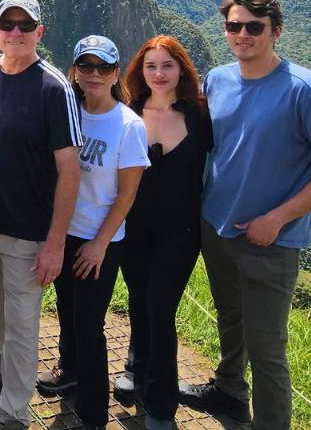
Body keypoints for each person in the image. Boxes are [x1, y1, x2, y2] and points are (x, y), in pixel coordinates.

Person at [181, 0, 311, 429]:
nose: (242, 35)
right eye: (234, 26)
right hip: (216, 228)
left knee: (267, 349)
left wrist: (277, 218)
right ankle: (228, 393)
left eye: (254, 27)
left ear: (276, 31)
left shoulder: (305, 91)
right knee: (231, 320)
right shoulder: (217, 79)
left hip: (270, 241)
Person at [0, 0, 83, 429]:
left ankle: (12, 413)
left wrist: (56, 243)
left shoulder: (53, 88)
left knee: (24, 324)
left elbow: (70, 171)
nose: (16, 33)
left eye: (25, 26)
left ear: (39, 33)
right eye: (7, 24)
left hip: (27, 233)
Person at [35, 35, 149, 430]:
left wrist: (100, 244)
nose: (94, 75)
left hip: (98, 239)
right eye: (86, 66)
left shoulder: (129, 125)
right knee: (66, 312)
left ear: (116, 73)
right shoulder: (66, 111)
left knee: (89, 325)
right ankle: (70, 372)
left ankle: (94, 414)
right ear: (75, 71)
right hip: (62, 232)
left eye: (103, 68)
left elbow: (127, 194)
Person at [114, 35, 212, 429]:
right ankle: (136, 367)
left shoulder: (198, 116)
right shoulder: (128, 112)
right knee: (139, 300)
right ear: (140, 71)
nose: (158, 74)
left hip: (180, 231)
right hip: (133, 227)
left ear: (181, 70)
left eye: (167, 66)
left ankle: (160, 404)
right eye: (150, 66)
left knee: (160, 308)